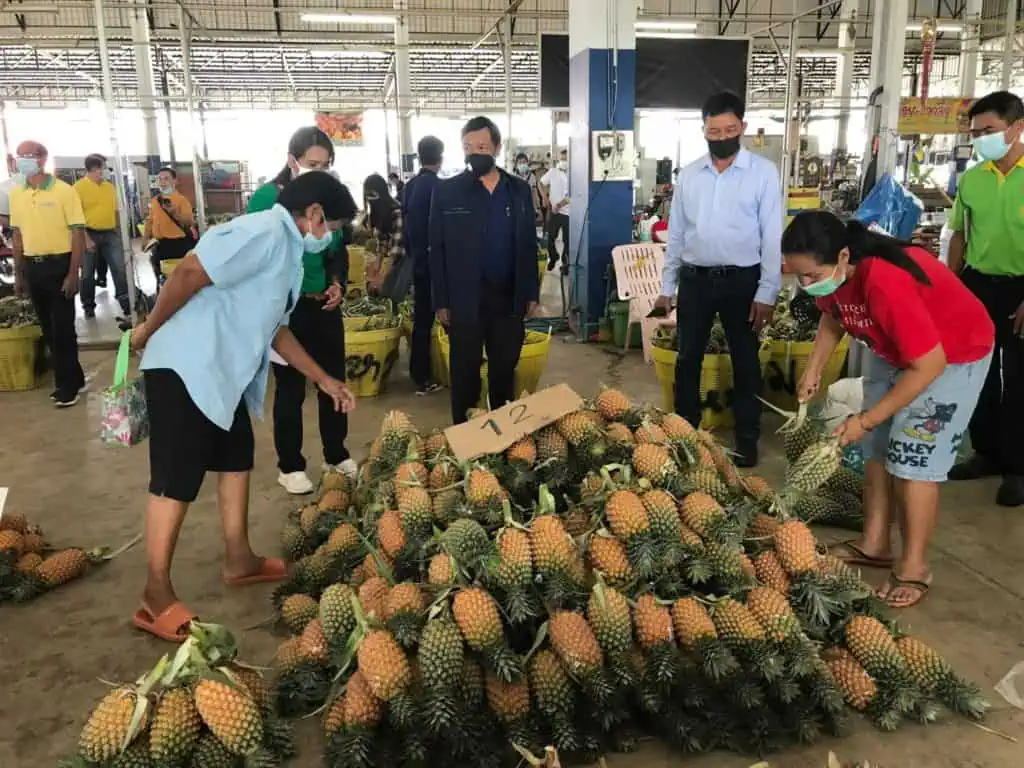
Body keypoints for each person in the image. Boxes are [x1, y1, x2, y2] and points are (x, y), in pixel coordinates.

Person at [129, 170, 357, 642]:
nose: (331, 238)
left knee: (236, 456)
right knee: (176, 478)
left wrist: (325, 380)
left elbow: (274, 329)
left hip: (223, 372)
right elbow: (192, 270)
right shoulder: (262, 231)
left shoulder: (289, 251)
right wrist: (148, 330)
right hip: (186, 364)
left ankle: (239, 559)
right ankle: (154, 597)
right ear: (313, 215)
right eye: (332, 227)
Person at [783, 211, 994, 608]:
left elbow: (929, 365)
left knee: (912, 457)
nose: (806, 284)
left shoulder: (884, 281)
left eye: (811, 275)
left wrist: (865, 418)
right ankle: (875, 543)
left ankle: (914, 566)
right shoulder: (832, 275)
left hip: (951, 354)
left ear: (844, 256)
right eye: (800, 277)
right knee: (877, 448)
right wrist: (813, 369)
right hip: (894, 347)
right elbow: (833, 315)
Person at [654, 91, 782, 467]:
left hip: (743, 283)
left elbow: (771, 235)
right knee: (687, 358)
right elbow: (676, 234)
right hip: (694, 282)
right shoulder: (690, 175)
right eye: (714, 130)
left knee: (745, 361)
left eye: (729, 128)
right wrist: (667, 287)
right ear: (704, 131)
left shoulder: (762, 174)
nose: (722, 135)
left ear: (741, 127)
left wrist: (768, 291)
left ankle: (746, 439)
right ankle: (685, 434)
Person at [248, 126, 358, 494]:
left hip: (323, 305)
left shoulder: (329, 197)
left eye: (325, 165)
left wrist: (337, 282)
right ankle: (290, 464)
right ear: (292, 159)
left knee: (332, 379)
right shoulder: (267, 198)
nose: (319, 172)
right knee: (291, 389)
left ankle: (335, 453)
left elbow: (337, 249)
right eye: (312, 164)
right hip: (286, 312)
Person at [429, 116, 540, 424]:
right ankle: (466, 439)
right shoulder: (448, 191)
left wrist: (530, 291)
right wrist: (441, 300)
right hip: (465, 298)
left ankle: (503, 437)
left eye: (481, 146)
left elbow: (529, 244)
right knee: (465, 373)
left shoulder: (517, 190)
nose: (474, 152)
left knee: (504, 370)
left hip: (507, 296)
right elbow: (435, 249)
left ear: (497, 148)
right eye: (467, 147)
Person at [945, 90, 1024, 507]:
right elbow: (959, 232)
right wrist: (952, 284)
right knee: (979, 374)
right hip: (978, 284)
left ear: (1016, 128)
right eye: (975, 132)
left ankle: (1018, 468)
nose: (980, 139)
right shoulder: (973, 178)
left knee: (1019, 380)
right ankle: (987, 452)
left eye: (988, 131)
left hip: (1022, 288)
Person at [8, 140, 87, 407]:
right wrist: (20, 274)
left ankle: (66, 387)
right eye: (18, 157)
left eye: (26, 156)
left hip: (60, 264)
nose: (21, 161)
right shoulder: (17, 194)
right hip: (33, 266)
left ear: (42, 159)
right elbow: (17, 236)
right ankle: (74, 378)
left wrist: (73, 273)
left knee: (63, 327)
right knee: (48, 327)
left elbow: (77, 233)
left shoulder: (65, 192)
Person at [402, 135, 445, 395]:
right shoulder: (441, 188)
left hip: (417, 262)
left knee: (422, 320)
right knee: (447, 317)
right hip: (437, 265)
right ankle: (433, 374)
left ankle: (419, 374)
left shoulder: (409, 187)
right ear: (440, 158)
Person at [74, 153, 131, 321]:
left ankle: (125, 302)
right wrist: (85, 239)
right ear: (95, 169)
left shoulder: (109, 187)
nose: (106, 171)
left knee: (120, 268)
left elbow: (115, 211)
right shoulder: (78, 188)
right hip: (88, 233)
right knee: (87, 273)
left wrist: (121, 235)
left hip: (109, 233)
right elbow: (76, 217)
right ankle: (88, 306)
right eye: (104, 168)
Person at [144, 167, 195, 283]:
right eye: (160, 179)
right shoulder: (155, 200)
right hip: (159, 245)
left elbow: (189, 222)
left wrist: (174, 213)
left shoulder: (182, 200)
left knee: (178, 278)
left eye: (166, 179)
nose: (162, 182)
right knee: (160, 275)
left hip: (177, 245)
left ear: (174, 181)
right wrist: (145, 239)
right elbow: (150, 220)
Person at [363, 173, 404, 291]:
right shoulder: (378, 212)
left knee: (395, 292)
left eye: (373, 195)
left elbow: (397, 248)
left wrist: (383, 275)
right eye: (368, 196)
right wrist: (378, 261)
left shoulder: (396, 211)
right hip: (394, 259)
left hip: (405, 259)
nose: (370, 200)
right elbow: (383, 240)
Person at [540, 148, 570, 272]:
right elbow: (541, 183)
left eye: (566, 159)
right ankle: (553, 257)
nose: (564, 161)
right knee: (549, 237)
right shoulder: (553, 172)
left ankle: (565, 264)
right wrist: (544, 198)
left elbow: (574, 194)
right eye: (562, 159)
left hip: (569, 212)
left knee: (567, 240)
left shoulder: (575, 173)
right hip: (553, 211)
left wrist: (560, 204)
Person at [513, 151, 542, 226]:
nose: (522, 164)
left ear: (527, 163)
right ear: (516, 164)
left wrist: (538, 208)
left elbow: (534, 192)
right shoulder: (512, 177)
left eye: (524, 162)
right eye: (520, 162)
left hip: (530, 207)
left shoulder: (532, 176)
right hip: (517, 208)